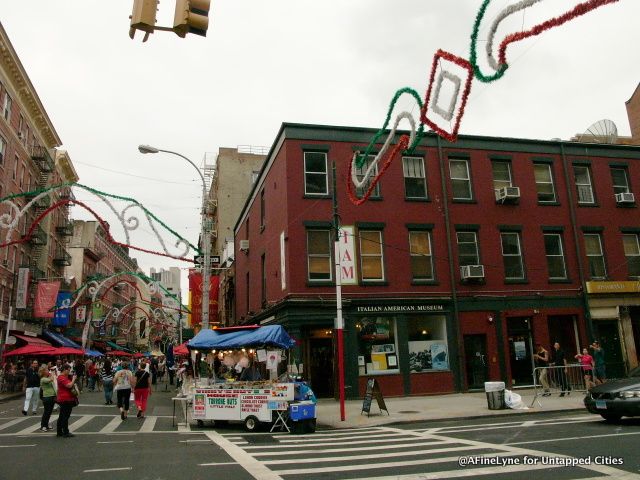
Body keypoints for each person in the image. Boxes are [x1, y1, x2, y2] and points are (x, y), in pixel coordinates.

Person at [55, 364, 78, 438]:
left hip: (67, 398)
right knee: (65, 416)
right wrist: (74, 379)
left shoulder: (65, 377)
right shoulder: (61, 377)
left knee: (62, 415)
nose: (69, 371)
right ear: (64, 369)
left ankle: (59, 432)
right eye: (68, 370)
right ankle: (65, 432)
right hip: (65, 399)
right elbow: (69, 385)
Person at [39, 365, 56, 432]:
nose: (47, 371)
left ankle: (46, 424)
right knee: (46, 412)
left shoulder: (47, 377)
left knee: (49, 412)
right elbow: (52, 379)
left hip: (52, 396)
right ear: (43, 372)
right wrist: (52, 372)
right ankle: (43, 426)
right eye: (46, 370)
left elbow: (53, 380)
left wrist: (53, 373)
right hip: (46, 397)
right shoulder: (43, 379)